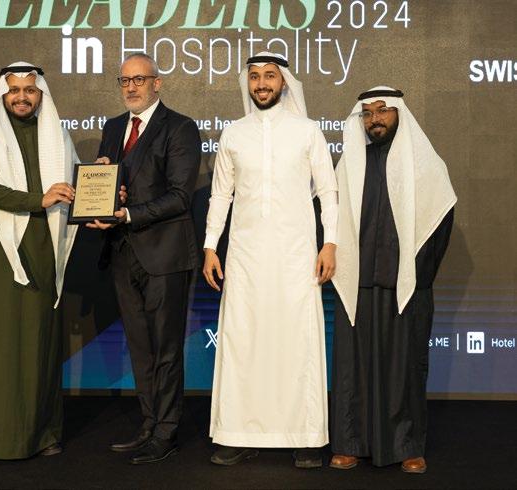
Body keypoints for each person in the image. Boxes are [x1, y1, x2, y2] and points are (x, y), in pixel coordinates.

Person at [203, 52, 338, 468]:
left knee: (297, 342)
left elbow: (328, 191)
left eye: (270, 76)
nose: (261, 84)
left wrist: (330, 243)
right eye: (255, 77)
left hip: (296, 256)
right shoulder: (233, 134)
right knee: (244, 342)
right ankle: (237, 433)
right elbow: (221, 194)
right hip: (244, 257)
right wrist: (210, 246)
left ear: (284, 83)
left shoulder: (308, 131)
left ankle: (305, 437)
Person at [0, 62, 79, 465]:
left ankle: (41, 434)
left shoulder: (56, 134)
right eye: (14, 90)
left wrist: (102, 193)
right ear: (3, 94)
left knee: (39, 343)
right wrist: (38, 200)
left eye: (29, 90)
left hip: (42, 250)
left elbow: (72, 188)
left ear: (41, 94)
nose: (22, 97)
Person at [330, 87, 456, 474]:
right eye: (368, 113)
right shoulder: (351, 164)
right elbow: (332, 219)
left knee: (405, 368)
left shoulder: (426, 165)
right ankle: (350, 442)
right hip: (357, 283)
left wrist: (419, 276)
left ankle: (408, 446)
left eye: (383, 111)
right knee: (354, 368)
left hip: (406, 284)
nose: (375, 119)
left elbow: (440, 221)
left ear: (400, 113)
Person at [89, 53, 202, 464]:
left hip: (165, 255)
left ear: (158, 83)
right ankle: (149, 423)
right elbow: (113, 185)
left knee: (166, 349)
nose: (131, 87)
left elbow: (180, 196)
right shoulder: (113, 128)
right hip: (122, 253)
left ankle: (167, 432)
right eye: (125, 80)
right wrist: (106, 192)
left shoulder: (181, 128)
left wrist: (128, 213)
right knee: (140, 348)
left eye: (140, 79)